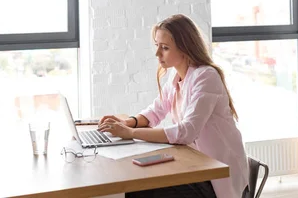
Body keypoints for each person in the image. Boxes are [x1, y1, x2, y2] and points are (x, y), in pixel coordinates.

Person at [98, 14, 249, 198]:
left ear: (185, 49)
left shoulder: (206, 77)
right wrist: (128, 123)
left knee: (136, 192)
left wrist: (130, 133)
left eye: (165, 48)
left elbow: (187, 131)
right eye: (157, 46)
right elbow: (156, 111)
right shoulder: (176, 76)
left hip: (217, 176)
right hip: (196, 166)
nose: (157, 54)